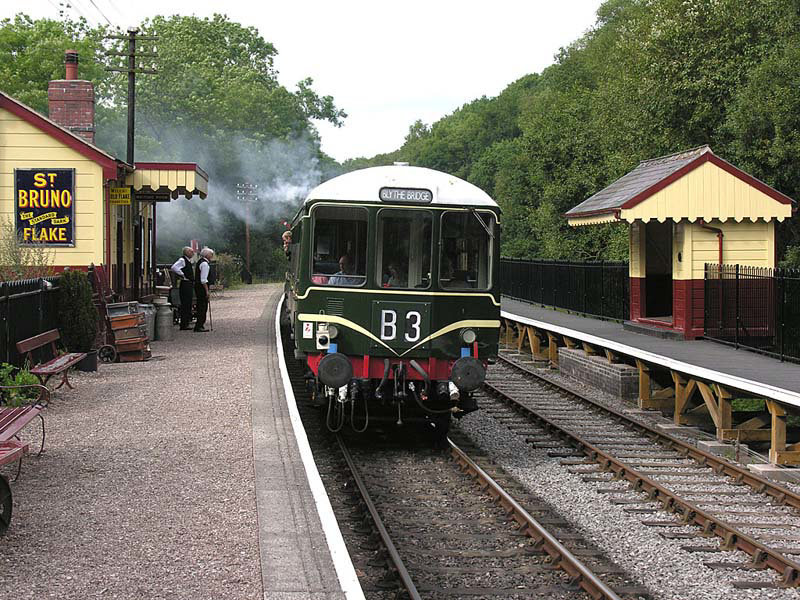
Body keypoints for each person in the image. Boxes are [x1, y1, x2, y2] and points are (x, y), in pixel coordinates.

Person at [171, 246, 195, 330]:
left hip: (188, 283)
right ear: (186, 252)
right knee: (185, 303)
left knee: (188, 303)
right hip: (185, 283)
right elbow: (174, 267)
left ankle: (186, 322)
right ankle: (184, 324)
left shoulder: (187, 260)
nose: (193, 253)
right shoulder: (182, 260)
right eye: (191, 252)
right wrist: (182, 274)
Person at [194, 247, 214, 332]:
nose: (212, 256)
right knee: (202, 306)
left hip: (198, 287)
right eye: (211, 254)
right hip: (202, 287)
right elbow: (203, 279)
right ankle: (199, 325)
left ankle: (200, 324)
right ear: (206, 254)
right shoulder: (205, 264)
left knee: (201, 305)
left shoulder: (200, 262)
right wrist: (207, 291)